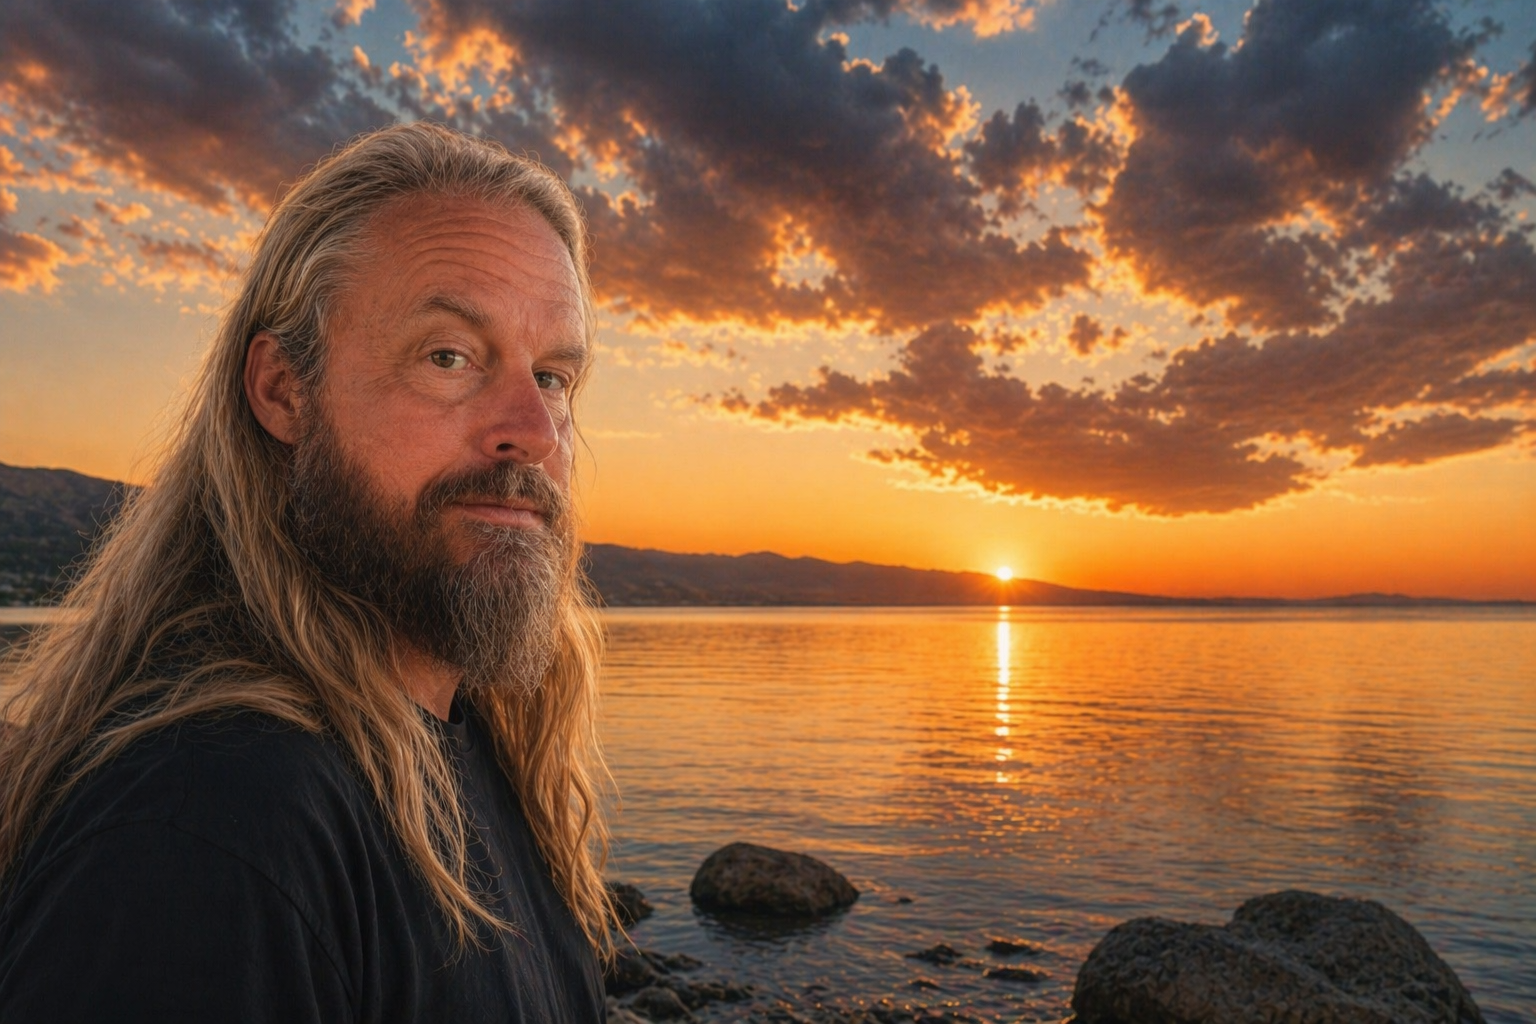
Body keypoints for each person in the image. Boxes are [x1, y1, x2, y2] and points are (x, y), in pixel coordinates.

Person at [0, 122, 614, 1021]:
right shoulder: (209, 825)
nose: (533, 427)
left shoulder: (471, 741)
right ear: (283, 391)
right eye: (449, 356)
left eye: (554, 375)